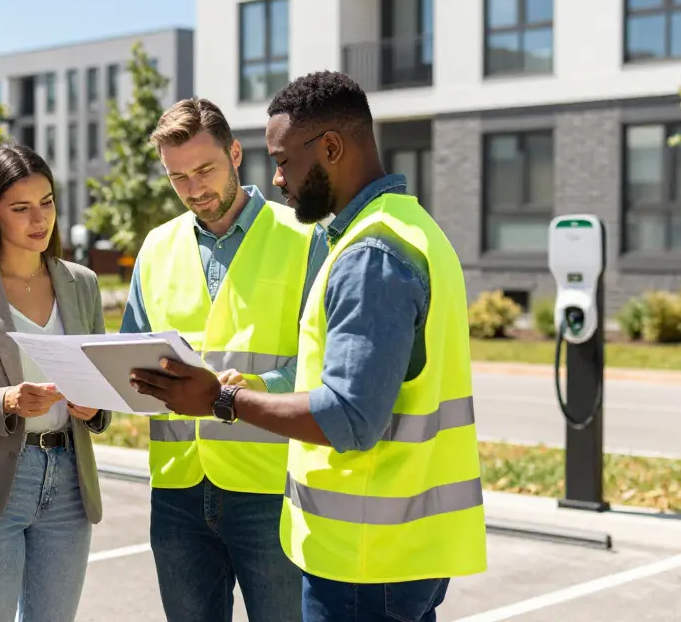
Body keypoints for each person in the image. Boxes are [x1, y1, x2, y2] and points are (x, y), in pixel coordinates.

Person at [128, 71, 488, 622]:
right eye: (178, 176)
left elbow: (349, 416)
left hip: (363, 549)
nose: (277, 178)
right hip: (389, 544)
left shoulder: (367, 252)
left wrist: (223, 399)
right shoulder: (404, 229)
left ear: (331, 148)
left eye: (284, 161)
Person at [120, 98, 326, 622]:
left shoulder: (305, 237)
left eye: (205, 170)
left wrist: (251, 387)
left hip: (270, 487)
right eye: (178, 177)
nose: (194, 189)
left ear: (235, 154)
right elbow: (131, 357)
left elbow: (323, 365)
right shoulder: (155, 248)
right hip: (177, 489)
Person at [0, 144, 110, 622]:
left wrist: (95, 408)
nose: (39, 218)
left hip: (69, 481)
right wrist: (5, 401)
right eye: (21, 207)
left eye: (46, 202)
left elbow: (101, 380)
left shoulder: (82, 283)